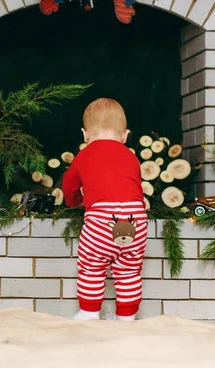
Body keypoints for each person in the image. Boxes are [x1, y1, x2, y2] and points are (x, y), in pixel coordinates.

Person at [62, 98, 147, 321]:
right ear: (125, 135)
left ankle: (89, 313)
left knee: (91, 265)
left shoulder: (84, 155)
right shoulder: (131, 157)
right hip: (134, 219)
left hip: (102, 218)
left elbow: (69, 186)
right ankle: (127, 318)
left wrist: (75, 202)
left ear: (85, 135)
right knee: (129, 271)